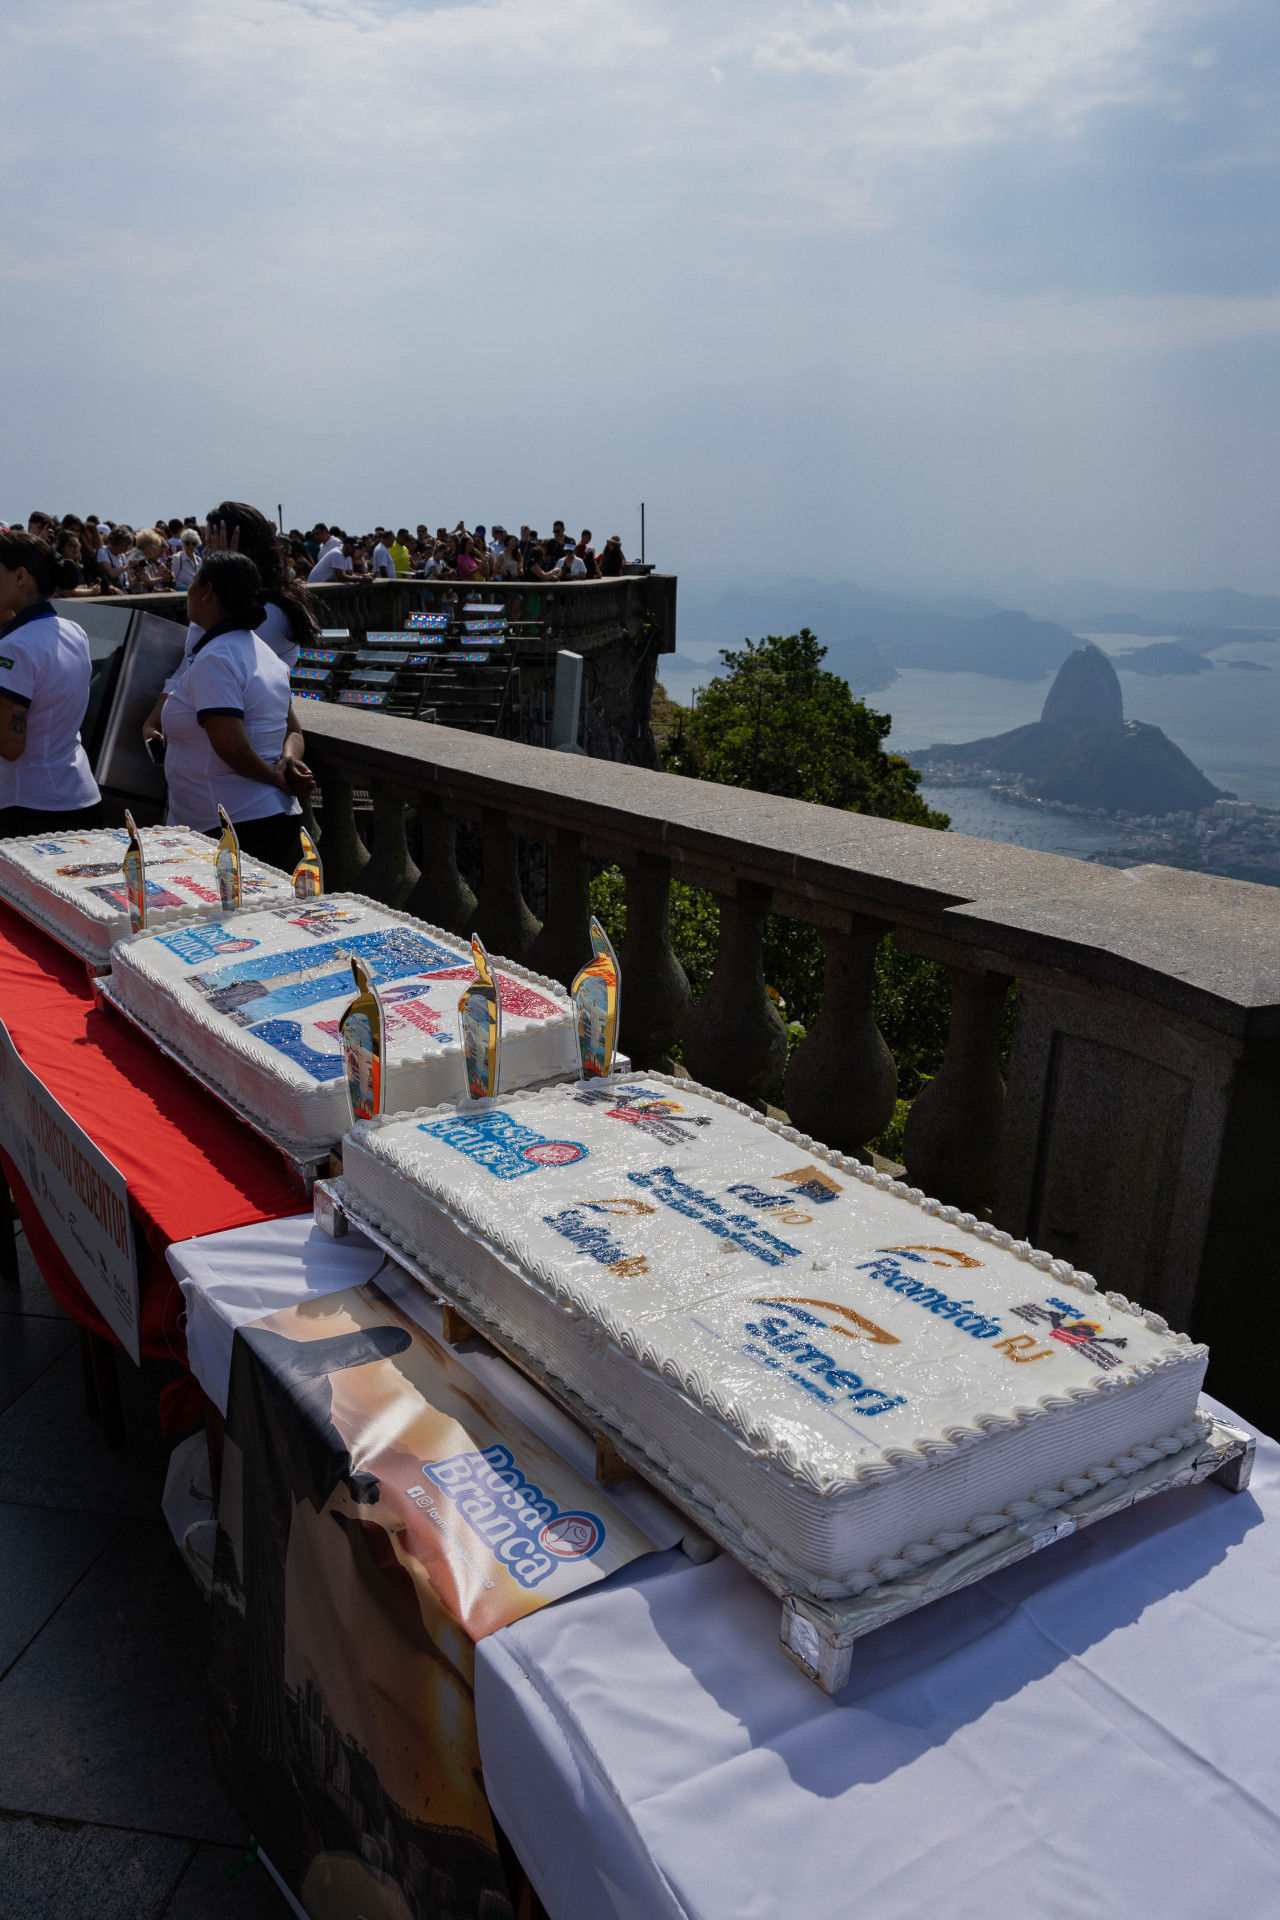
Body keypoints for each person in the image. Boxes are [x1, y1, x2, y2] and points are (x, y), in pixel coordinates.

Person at [153, 550, 313, 869]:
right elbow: (292, 730)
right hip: (263, 818)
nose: (187, 591)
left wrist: (276, 776)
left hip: (230, 825)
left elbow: (232, 748)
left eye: (194, 582)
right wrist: (288, 761)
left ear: (208, 591)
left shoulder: (217, 658)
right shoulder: (262, 653)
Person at [0, 531, 100, 835]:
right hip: (79, 798)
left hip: (27, 810)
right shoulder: (75, 631)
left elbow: (11, 745)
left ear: (19, 576)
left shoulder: (14, 649)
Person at [202, 500, 320, 668]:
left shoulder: (265, 615)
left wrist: (219, 571)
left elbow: (199, 658)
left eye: (210, 546)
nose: (205, 554)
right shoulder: (261, 603)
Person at [171, 526, 202, 591]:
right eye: (187, 543)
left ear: (197, 545)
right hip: (181, 595)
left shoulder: (199, 560)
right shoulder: (177, 558)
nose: (190, 546)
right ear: (182, 543)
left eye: (193, 544)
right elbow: (173, 579)